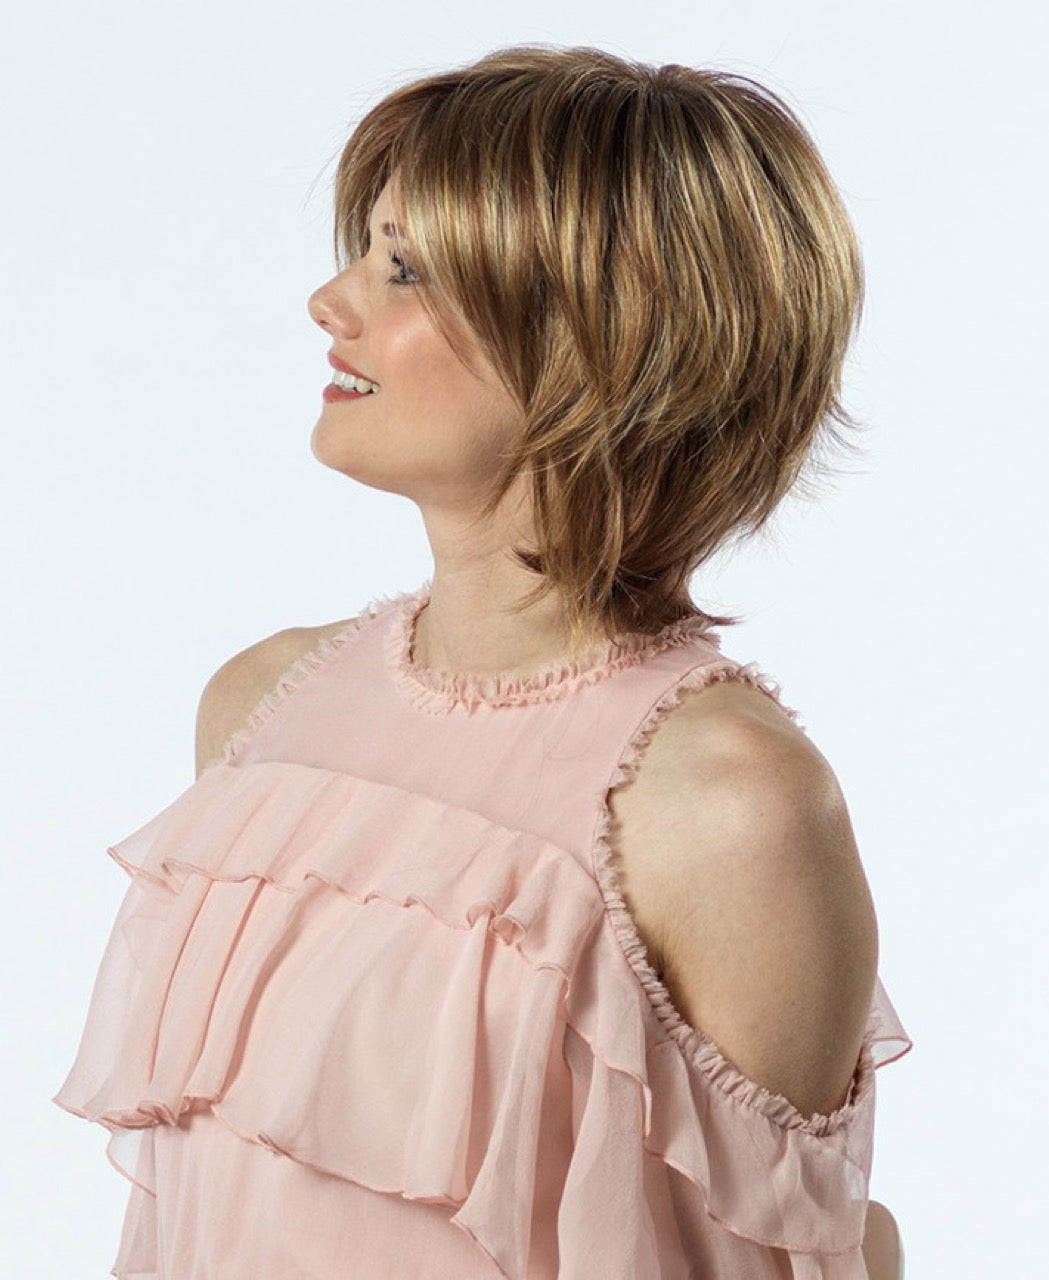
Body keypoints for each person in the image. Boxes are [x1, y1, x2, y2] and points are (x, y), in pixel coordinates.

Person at [53, 44, 912, 1279]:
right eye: (365, 251)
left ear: (595, 341)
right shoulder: (257, 717)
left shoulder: (725, 804)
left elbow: (793, 1251)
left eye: (404, 267)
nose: (330, 300)